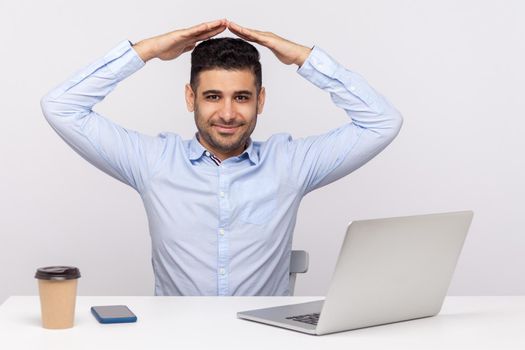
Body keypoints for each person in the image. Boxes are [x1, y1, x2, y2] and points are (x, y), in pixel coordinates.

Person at [41, 19, 403, 296]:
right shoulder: (152, 162)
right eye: (213, 96)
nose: (228, 114)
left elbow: (382, 123)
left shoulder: (290, 164)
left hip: (264, 339)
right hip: (177, 340)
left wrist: (302, 58)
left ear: (260, 100)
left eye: (242, 98)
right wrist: (148, 50)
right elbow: (61, 107)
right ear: (190, 98)